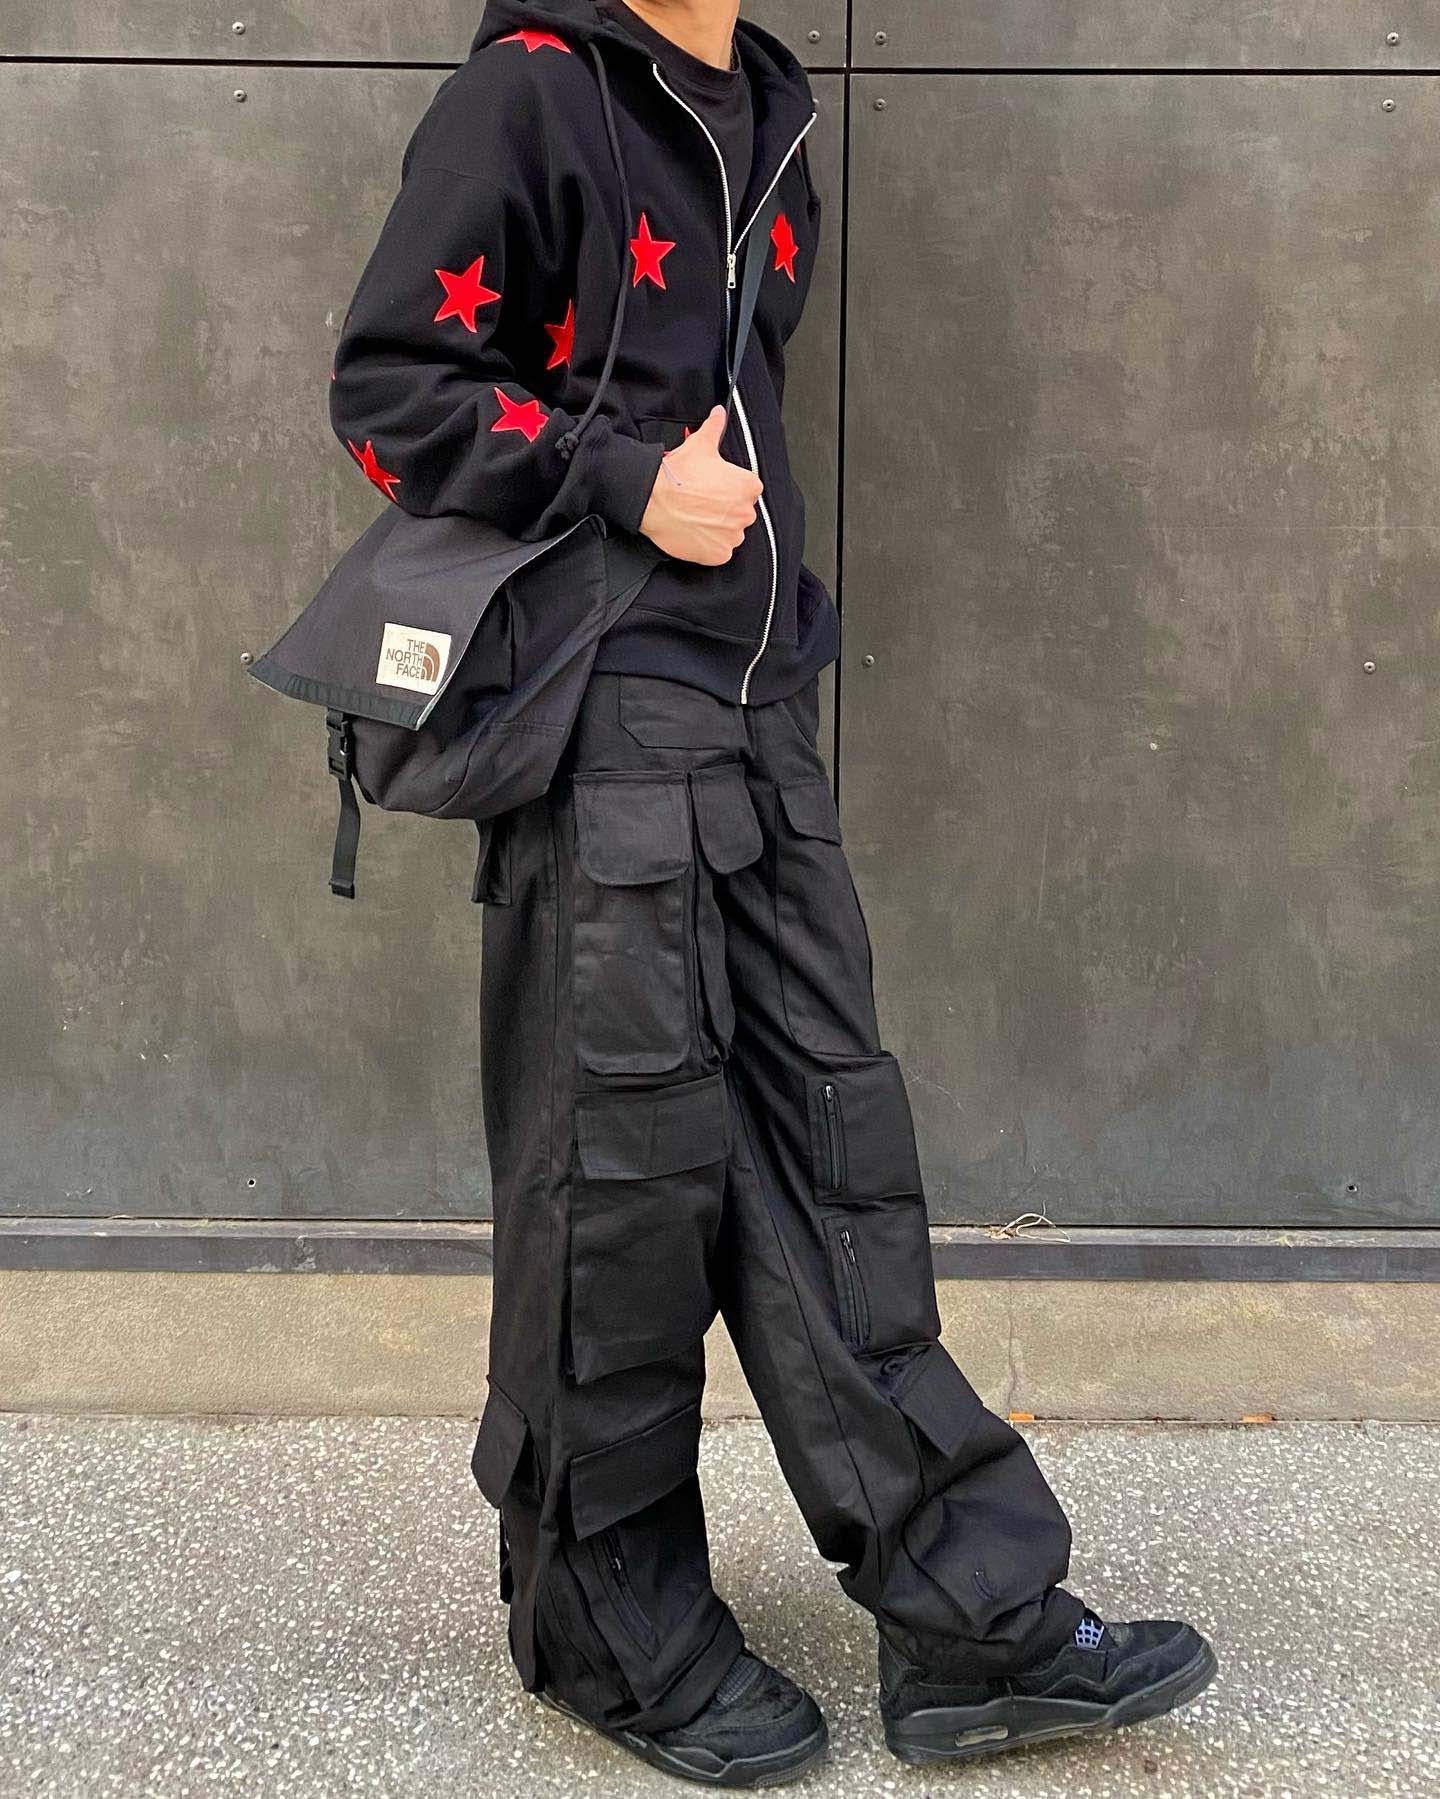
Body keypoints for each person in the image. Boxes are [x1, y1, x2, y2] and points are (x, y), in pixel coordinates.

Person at [327, 0, 1218, 1783]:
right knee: (621, 1176)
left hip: (751, 708)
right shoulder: (531, 92)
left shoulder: (770, 114)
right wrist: (622, 480)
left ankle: (963, 1609)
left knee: (831, 1146)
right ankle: (606, 1619)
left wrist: (772, 603)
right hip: (601, 704)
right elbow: (389, 393)